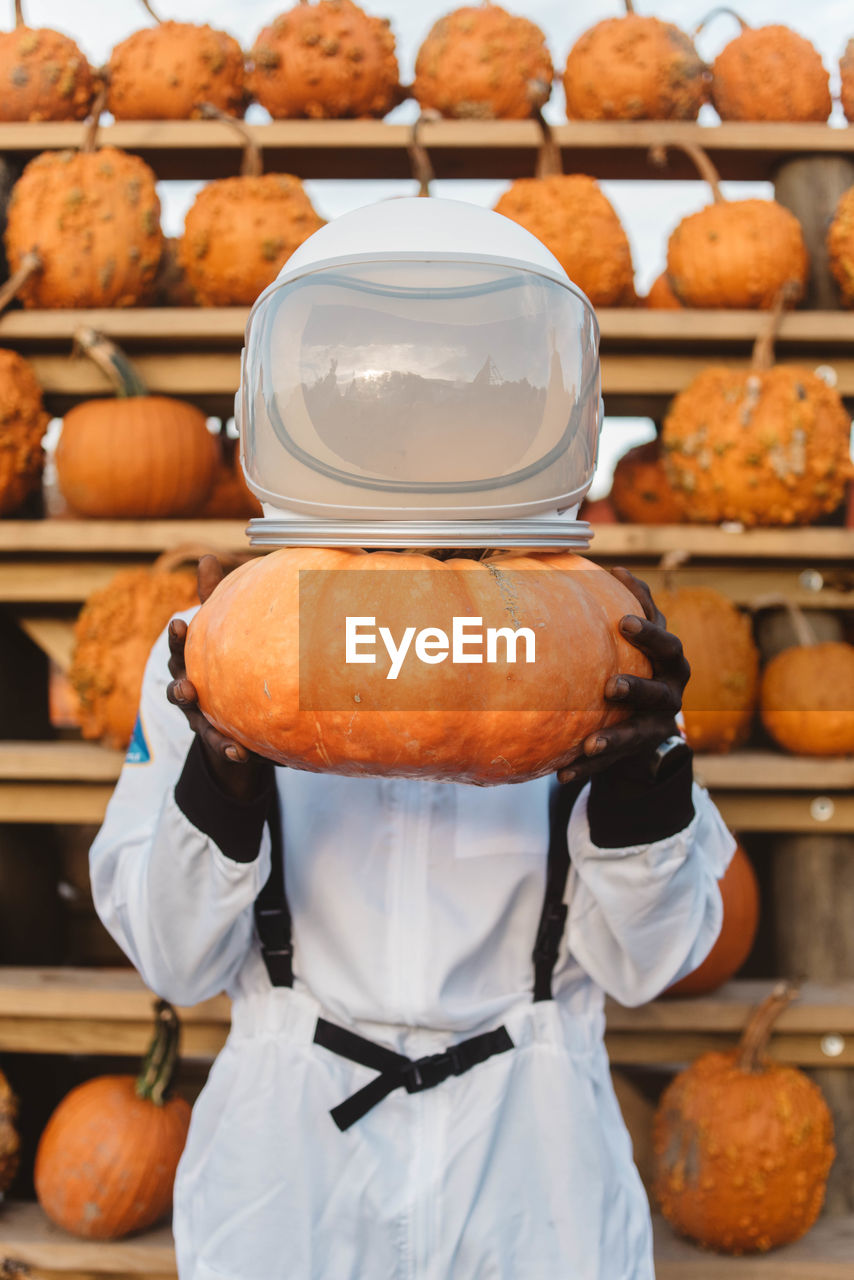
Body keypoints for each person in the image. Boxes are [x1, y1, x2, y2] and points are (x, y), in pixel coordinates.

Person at [90, 199, 735, 1280]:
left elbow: (651, 961)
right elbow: (173, 955)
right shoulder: (227, 642)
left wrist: (640, 790)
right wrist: (224, 772)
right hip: (291, 1153)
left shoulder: (589, 639)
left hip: (531, 1156)